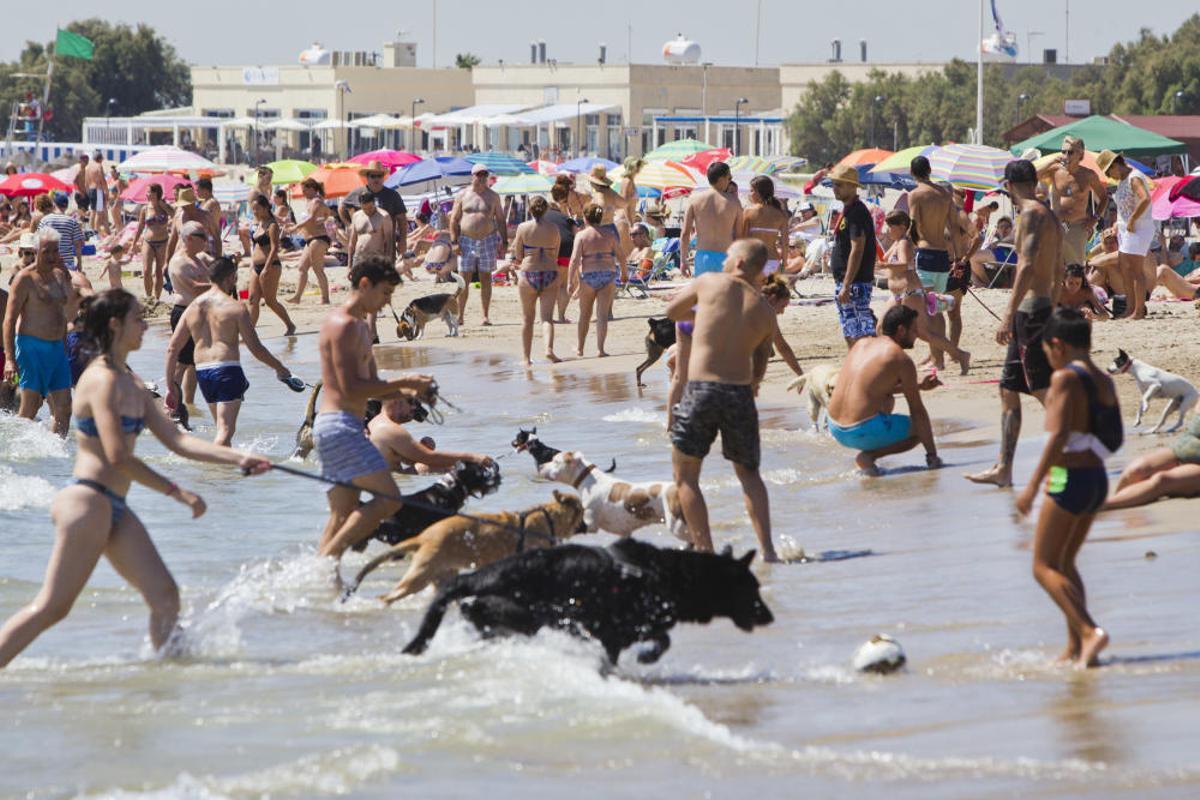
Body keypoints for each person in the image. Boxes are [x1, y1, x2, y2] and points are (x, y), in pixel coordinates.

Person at [0, 288, 272, 669]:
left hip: (114, 507)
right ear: (115, 325)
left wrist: (239, 456)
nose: (146, 326)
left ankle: (164, 682)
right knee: (53, 607)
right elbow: (118, 456)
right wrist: (177, 492)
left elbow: (178, 440)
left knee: (165, 596)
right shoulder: (102, 381)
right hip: (87, 503)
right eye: (138, 319)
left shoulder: (130, 382)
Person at [1014, 308, 1120, 669]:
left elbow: (1058, 435)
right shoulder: (1104, 379)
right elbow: (1111, 436)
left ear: (1057, 344)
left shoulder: (1064, 379)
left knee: (1042, 566)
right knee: (1066, 562)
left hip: (1068, 479)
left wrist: (1030, 486)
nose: (1047, 357)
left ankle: (1091, 632)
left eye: (1046, 351)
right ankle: (1076, 646)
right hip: (1097, 480)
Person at [314, 255, 436, 561]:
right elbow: (351, 387)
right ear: (364, 285)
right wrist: (407, 379)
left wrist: (410, 392)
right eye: (385, 293)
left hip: (344, 425)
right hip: (339, 426)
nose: (386, 302)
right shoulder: (342, 325)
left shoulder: (360, 328)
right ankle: (330, 557)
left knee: (342, 514)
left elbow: (372, 385)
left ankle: (323, 577)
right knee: (390, 498)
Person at [665, 239, 779, 563]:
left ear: (740, 262)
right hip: (739, 393)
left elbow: (672, 311)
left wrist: (703, 311)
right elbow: (760, 363)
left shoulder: (709, 282)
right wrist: (753, 385)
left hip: (701, 390)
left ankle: (705, 551)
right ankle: (768, 552)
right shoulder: (765, 311)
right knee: (749, 475)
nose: (724, 261)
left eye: (728, 257)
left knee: (686, 476)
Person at [967, 160, 1062, 488]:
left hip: (1031, 311)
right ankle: (1004, 468)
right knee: (1009, 387)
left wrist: (1009, 314)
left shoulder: (1032, 215)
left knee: (1040, 389)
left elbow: (1027, 265)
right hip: (1039, 308)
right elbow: (1060, 269)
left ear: (1007, 185)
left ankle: (1070, 461)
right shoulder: (1047, 215)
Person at [166, 257, 296, 446]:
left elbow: (172, 348)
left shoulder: (192, 308)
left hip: (203, 372)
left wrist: (170, 385)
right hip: (227, 370)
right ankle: (215, 468)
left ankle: (225, 473)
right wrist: (280, 368)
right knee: (225, 431)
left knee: (221, 428)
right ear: (232, 278)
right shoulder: (235, 307)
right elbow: (256, 348)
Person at [827, 305, 942, 475]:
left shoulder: (861, 344)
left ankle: (872, 442)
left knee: (888, 399)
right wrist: (932, 456)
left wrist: (917, 386)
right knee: (920, 429)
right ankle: (869, 456)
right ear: (901, 330)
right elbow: (917, 411)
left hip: (834, 427)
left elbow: (869, 387)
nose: (917, 334)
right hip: (860, 429)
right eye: (914, 330)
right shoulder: (900, 358)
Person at [2, 229, 79, 435]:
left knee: (64, 408)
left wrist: (68, 277)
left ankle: (58, 455)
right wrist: (9, 359)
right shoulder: (24, 279)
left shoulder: (60, 275)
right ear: (36, 250)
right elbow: (9, 320)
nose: (52, 256)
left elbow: (68, 309)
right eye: (47, 251)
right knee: (30, 406)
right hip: (31, 347)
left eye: (56, 251)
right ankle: (17, 450)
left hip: (57, 348)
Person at [881, 210, 971, 372]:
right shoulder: (897, 242)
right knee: (882, 326)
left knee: (923, 332)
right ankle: (889, 362)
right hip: (897, 293)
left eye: (890, 226)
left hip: (910, 291)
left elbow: (902, 264)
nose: (887, 229)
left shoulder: (904, 243)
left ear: (901, 227)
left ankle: (960, 355)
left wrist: (884, 266)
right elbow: (883, 261)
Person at [368, 392, 492, 472]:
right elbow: (429, 458)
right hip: (390, 487)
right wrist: (474, 458)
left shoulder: (376, 423)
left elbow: (405, 459)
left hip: (389, 480)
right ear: (395, 402)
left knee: (429, 466)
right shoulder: (390, 430)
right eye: (410, 402)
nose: (414, 407)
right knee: (434, 467)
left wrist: (420, 449)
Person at [1098, 150, 1153, 319]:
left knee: (1136, 271)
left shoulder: (1133, 177)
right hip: (1127, 230)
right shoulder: (1123, 181)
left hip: (1138, 228)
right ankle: (1130, 308)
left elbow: (1145, 199)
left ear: (1116, 165)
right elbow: (1125, 208)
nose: (1109, 176)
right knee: (1126, 270)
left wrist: (1132, 220)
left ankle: (1138, 310)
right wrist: (1119, 223)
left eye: (1109, 171)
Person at [1040, 136, 1107, 272]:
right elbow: (1031, 175)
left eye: (1070, 152)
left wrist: (1095, 218)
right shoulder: (1055, 170)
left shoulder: (1088, 175)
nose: (1065, 155)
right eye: (1063, 151)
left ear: (1080, 155)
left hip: (1078, 226)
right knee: (1052, 266)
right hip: (1057, 225)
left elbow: (1104, 197)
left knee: (1076, 268)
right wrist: (1051, 161)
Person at [1103, 415, 1200, 510]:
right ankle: (1121, 507)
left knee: (1162, 480)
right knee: (1135, 470)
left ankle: (1100, 507)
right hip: (1184, 447)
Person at [449, 163, 505, 326]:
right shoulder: (462, 195)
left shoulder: (493, 196)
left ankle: (485, 316)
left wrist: (505, 241)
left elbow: (500, 220)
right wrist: (454, 241)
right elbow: (454, 219)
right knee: (463, 278)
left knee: (485, 277)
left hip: (488, 239)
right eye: (478, 175)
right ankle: (460, 316)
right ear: (472, 176)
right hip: (466, 240)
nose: (481, 178)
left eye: (484, 175)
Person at [827, 164, 877, 346]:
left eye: (839, 184)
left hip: (855, 283)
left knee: (861, 333)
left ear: (852, 186)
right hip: (846, 282)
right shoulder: (848, 210)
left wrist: (847, 285)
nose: (835, 188)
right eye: (834, 184)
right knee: (851, 329)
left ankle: (868, 370)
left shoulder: (857, 212)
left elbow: (858, 248)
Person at [510, 195, 562, 365]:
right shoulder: (554, 228)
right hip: (549, 272)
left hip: (529, 273)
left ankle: (526, 358)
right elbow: (555, 253)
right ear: (546, 209)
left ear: (530, 210)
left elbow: (518, 255)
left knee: (527, 319)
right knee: (547, 318)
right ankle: (549, 349)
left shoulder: (523, 227)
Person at [166, 221, 213, 407]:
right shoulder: (179, 261)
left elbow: (216, 266)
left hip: (201, 312)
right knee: (182, 362)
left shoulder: (199, 257)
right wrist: (217, 284)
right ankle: (172, 402)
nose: (206, 240)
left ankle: (189, 403)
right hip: (184, 312)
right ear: (190, 239)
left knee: (195, 362)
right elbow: (193, 287)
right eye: (203, 236)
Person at [569, 203, 626, 358]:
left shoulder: (581, 235)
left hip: (589, 276)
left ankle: (580, 349)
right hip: (608, 275)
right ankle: (600, 349)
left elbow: (574, 260)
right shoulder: (610, 235)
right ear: (600, 218)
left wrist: (570, 281)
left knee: (584, 315)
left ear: (585, 218)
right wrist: (625, 273)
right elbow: (621, 255)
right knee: (602, 316)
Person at [680, 161, 743, 277]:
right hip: (726, 256)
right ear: (721, 178)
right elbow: (739, 236)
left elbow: (685, 233)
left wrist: (683, 260)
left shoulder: (694, 200)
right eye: (729, 177)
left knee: (704, 293)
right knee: (724, 294)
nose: (730, 181)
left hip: (703, 256)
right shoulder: (734, 202)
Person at [245, 194, 296, 335]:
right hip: (256, 267)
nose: (255, 212)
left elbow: (275, 248)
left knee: (270, 301)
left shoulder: (272, 225)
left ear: (266, 208)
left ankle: (290, 325)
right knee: (252, 300)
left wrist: (266, 269)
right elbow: (256, 248)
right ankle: (250, 333)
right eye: (253, 209)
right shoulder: (259, 224)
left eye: (257, 209)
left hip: (271, 266)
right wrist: (251, 266)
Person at [288, 178, 333, 304]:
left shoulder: (316, 201)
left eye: (305, 190)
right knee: (302, 267)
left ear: (312, 189)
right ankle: (297, 297)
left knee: (318, 269)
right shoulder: (311, 201)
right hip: (311, 239)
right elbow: (326, 214)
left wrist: (296, 227)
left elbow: (312, 218)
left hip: (318, 238)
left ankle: (325, 298)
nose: (303, 193)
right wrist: (323, 219)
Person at [130, 183, 174, 301]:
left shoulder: (164, 206)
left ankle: (157, 298)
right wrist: (134, 244)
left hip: (163, 242)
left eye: (149, 192)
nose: (147, 194)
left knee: (159, 271)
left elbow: (174, 215)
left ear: (156, 193)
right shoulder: (145, 208)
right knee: (146, 270)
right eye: (147, 192)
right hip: (148, 241)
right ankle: (148, 296)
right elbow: (140, 227)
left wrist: (162, 205)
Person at [741, 175, 789, 275]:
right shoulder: (781, 214)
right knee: (770, 290)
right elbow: (785, 242)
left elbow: (743, 240)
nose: (750, 194)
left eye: (752, 191)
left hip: (754, 259)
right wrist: (784, 262)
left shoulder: (749, 211)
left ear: (759, 192)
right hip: (772, 261)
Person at [546, 182, 579, 322]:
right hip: (566, 250)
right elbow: (576, 235)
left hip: (550, 251)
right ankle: (560, 316)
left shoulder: (542, 217)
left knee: (548, 286)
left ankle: (546, 316)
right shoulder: (567, 218)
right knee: (563, 285)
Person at [37, 192, 84, 272]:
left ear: (54, 205)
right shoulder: (72, 221)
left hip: (50, 264)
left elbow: (38, 244)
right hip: (68, 266)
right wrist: (79, 264)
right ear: (66, 206)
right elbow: (78, 245)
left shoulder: (45, 220)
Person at [968, 215, 1015, 285]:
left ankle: (987, 283)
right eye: (1001, 227)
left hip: (1007, 255)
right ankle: (978, 283)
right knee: (966, 258)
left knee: (972, 256)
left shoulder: (1012, 236)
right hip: (998, 259)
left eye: (1007, 227)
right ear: (997, 229)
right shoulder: (994, 238)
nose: (1004, 229)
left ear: (1011, 229)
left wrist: (999, 242)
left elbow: (1013, 238)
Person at [85, 150, 109, 235]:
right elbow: (102, 180)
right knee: (99, 212)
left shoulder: (87, 167)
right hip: (98, 190)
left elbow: (86, 182)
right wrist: (106, 191)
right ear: (100, 159)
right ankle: (96, 232)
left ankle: (90, 231)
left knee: (93, 211)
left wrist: (87, 192)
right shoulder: (99, 166)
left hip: (90, 190)